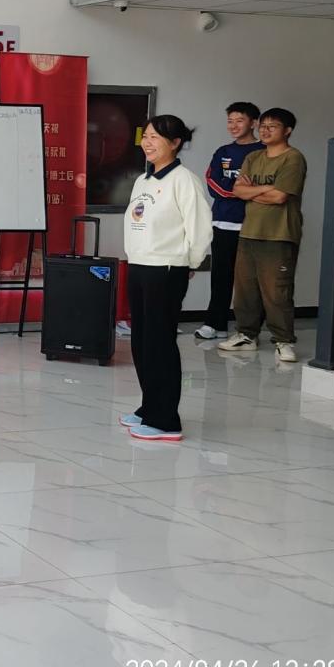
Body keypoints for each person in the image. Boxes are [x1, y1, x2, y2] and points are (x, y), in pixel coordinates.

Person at [120, 117, 212, 442]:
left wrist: (190, 262)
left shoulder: (184, 180)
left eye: (155, 137)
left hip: (166, 269)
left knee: (160, 343)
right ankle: (149, 406)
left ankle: (166, 419)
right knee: (142, 341)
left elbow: (200, 228)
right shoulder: (142, 181)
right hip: (139, 266)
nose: (147, 143)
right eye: (145, 136)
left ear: (175, 143)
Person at [220, 108, 307, 362]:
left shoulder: (293, 158)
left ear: (287, 130)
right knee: (245, 289)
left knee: (277, 291)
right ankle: (247, 335)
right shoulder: (254, 156)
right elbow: (238, 191)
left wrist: (254, 190)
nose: (265, 131)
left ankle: (283, 341)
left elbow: (280, 197)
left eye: (273, 126)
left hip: (279, 234)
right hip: (249, 232)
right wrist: (265, 188)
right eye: (263, 126)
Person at [195, 101, 262, 341]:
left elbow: (267, 188)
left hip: (254, 225)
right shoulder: (223, 152)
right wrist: (244, 190)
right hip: (223, 223)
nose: (233, 126)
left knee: (251, 280)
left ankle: (249, 330)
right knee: (221, 276)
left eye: (239, 121)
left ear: (253, 123)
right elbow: (214, 185)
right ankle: (215, 324)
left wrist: (247, 190)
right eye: (230, 121)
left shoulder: (264, 151)